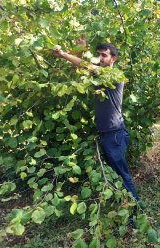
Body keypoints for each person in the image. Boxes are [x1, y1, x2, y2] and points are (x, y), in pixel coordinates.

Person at [52, 41, 141, 219]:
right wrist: (78, 49)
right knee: (116, 175)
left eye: (104, 55)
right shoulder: (98, 78)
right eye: (98, 54)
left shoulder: (115, 76)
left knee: (123, 175)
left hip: (114, 135)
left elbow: (87, 66)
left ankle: (135, 213)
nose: (100, 58)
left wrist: (63, 54)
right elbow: (83, 68)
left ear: (113, 59)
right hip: (106, 135)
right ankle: (125, 207)